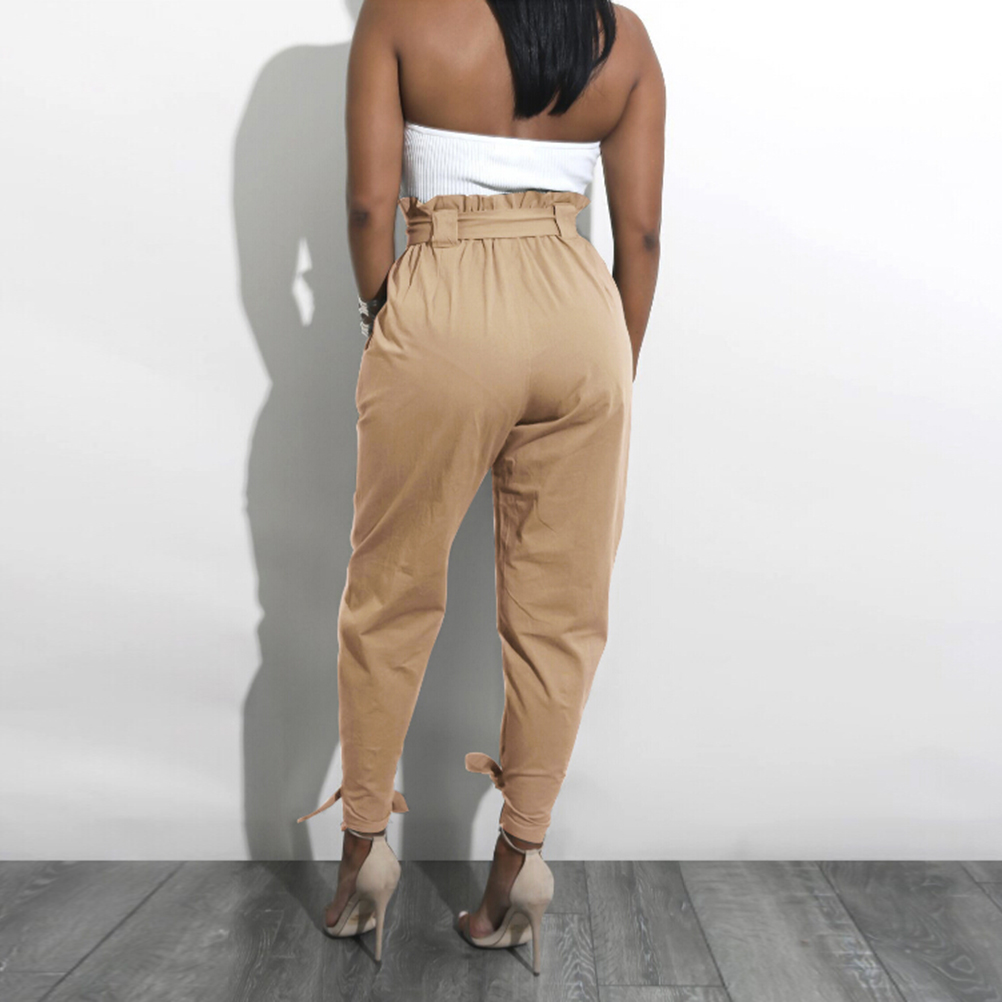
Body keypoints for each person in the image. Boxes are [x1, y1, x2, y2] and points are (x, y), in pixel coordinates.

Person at [296, 0, 664, 975]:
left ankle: (363, 857)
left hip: (445, 296)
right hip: (581, 315)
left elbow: (369, 207)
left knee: (389, 595)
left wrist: (388, 317)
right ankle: (517, 872)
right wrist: (611, 371)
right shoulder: (621, 39)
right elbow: (642, 239)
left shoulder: (401, 17)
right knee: (562, 614)